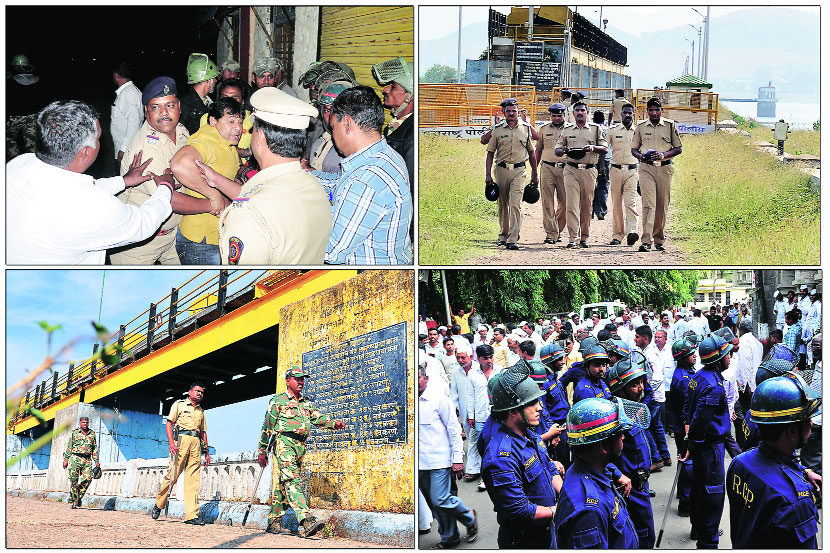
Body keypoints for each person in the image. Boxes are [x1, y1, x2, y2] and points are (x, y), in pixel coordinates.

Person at [7, 100, 177, 264]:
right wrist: (166, 186)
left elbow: (80, 190)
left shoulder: (19, 163)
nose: (100, 143)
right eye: (98, 139)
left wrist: (123, 181)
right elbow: (143, 224)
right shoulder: (94, 207)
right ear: (85, 152)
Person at [200, 88, 331, 264]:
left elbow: (239, 284)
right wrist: (216, 179)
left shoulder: (248, 214)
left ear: (260, 137)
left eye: (254, 129)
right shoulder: (314, 185)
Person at [109, 77, 214, 265]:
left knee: (187, 290)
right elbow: (170, 199)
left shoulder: (182, 132)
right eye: (156, 107)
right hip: (138, 244)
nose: (164, 113)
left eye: (169, 105)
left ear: (179, 107)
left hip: (172, 236)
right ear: (146, 111)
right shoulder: (146, 148)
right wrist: (214, 204)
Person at [313, 86, 412, 264]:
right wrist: (303, 176)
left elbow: (331, 252)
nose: (333, 134)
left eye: (334, 127)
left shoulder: (367, 180)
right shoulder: (383, 156)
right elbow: (340, 184)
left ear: (348, 124)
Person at [726, 372, 821, 548]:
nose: (812, 424)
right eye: (808, 419)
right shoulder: (796, 501)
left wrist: (803, 471)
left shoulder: (739, 462)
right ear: (792, 432)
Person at [256, 367, 345, 536]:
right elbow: (267, 426)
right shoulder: (278, 401)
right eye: (297, 379)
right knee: (292, 479)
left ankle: (274, 521)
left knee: (285, 483)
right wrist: (262, 450)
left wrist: (334, 424)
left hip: (300, 446)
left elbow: (318, 418)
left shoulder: (306, 403)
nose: (301, 382)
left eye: (302, 379)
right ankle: (306, 520)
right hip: (284, 443)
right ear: (287, 380)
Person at [481, 367, 561, 547]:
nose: (539, 407)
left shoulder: (529, 433)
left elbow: (548, 466)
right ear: (513, 411)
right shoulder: (501, 458)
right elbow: (520, 510)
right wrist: (560, 510)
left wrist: (563, 495)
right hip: (526, 540)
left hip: (547, 529)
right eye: (532, 403)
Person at [554, 397, 642, 548]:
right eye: (619, 433)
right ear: (604, 446)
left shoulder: (594, 468)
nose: (623, 436)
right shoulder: (588, 511)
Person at [170, 97, 242, 264]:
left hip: (214, 237)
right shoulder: (207, 141)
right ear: (213, 121)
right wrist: (213, 194)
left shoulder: (226, 143)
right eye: (231, 121)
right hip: (200, 243)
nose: (238, 127)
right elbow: (179, 164)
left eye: (239, 121)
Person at [418, 363, 479, 548]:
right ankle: (449, 536)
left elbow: (454, 430)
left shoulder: (439, 400)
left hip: (439, 461)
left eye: (418, 378)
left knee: (440, 499)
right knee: (435, 505)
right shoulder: (406, 403)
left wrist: (458, 459)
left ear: (426, 379)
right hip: (419, 464)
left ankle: (470, 518)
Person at [680, 335, 732, 547]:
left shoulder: (698, 376)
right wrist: (693, 442)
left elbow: (687, 409)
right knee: (712, 494)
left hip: (702, 445)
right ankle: (708, 540)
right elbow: (701, 419)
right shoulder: (714, 385)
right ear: (718, 358)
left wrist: (691, 442)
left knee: (699, 490)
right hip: (710, 447)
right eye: (727, 354)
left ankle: (699, 528)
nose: (730, 357)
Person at [606, 356, 656, 548]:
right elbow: (597, 454)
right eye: (635, 384)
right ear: (620, 388)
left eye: (642, 382)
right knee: (639, 537)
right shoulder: (612, 415)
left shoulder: (633, 407)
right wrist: (618, 475)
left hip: (641, 485)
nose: (641, 388)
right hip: (628, 489)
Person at [485, 98, 540, 250]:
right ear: (504, 113)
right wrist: (488, 175)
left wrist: (535, 173)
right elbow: (490, 153)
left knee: (515, 204)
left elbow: (531, 152)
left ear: (518, 112)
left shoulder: (526, 128)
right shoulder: (497, 129)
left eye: (514, 111)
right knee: (503, 204)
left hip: (519, 171)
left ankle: (513, 238)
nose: (511, 113)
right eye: (508, 111)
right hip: (501, 170)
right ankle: (503, 235)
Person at [151, 383, 209, 525]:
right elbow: (169, 424)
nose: (200, 394)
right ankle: (159, 503)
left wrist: (206, 452)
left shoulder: (201, 411)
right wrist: (171, 443)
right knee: (172, 475)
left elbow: (203, 432)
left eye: (202, 392)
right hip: (181, 441)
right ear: (190, 392)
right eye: (197, 391)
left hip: (195, 443)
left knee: (193, 481)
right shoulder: (179, 405)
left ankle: (191, 515)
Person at [630, 97, 682, 252]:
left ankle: (659, 238)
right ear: (647, 112)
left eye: (656, 110)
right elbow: (634, 149)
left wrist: (664, 154)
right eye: (651, 110)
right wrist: (641, 156)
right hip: (646, 169)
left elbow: (678, 148)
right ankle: (646, 240)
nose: (654, 113)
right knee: (648, 204)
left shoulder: (669, 125)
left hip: (665, 168)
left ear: (661, 110)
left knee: (662, 205)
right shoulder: (640, 126)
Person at [554, 101, 608, 248]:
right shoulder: (567, 129)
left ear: (587, 113)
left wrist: (593, 147)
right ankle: (572, 238)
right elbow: (557, 149)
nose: (579, 112)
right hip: (570, 169)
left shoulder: (595, 129)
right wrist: (563, 150)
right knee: (571, 204)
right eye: (576, 110)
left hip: (589, 170)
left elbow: (605, 148)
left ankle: (584, 237)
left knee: (586, 205)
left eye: (582, 110)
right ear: (573, 113)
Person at [372, 57, 414, 191]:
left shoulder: (411, 133)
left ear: (410, 96)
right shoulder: (396, 124)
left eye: (393, 86)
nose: (385, 90)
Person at [670, 338, 698, 517]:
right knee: (687, 462)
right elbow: (687, 408)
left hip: (683, 424)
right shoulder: (682, 379)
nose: (694, 356)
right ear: (682, 358)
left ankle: (682, 493)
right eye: (690, 354)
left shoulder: (687, 372)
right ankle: (686, 503)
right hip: (684, 426)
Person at [534, 103, 569, 244]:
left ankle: (558, 229)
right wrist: (534, 171)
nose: (556, 118)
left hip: (565, 169)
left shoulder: (570, 129)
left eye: (559, 115)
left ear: (564, 115)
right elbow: (538, 150)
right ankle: (551, 233)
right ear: (550, 116)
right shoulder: (543, 129)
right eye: (554, 116)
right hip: (547, 168)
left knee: (565, 203)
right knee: (547, 202)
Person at [607, 103, 640, 246]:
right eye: (625, 113)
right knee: (616, 204)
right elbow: (604, 148)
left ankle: (632, 231)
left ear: (633, 115)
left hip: (632, 171)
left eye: (630, 113)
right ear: (621, 115)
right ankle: (617, 235)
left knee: (630, 201)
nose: (627, 115)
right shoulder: (612, 130)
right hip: (615, 170)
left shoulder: (639, 131)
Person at [198, 79, 254, 160]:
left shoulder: (252, 119)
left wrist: (248, 152)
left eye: (235, 97)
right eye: (225, 97)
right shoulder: (209, 117)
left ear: (242, 101)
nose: (230, 101)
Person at [308, 81, 352, 173]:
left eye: (336, 112)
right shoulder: (320, 140)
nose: (331, 117)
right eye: (327, 111)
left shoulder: (350, 149)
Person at [63, 416, 100, 509]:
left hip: (87, 460)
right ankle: (75, 502)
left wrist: (96, 461)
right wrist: (66, 459)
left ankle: (76, 497)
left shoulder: (92, 434)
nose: (85, 424)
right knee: (74, 481)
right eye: (83, 422)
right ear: (80, 423)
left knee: (88, 479)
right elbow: (69, 446)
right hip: (75, 458)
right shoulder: (75, 433)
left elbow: (94, 448)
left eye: (87, 422)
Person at [110, 62, 143, 164]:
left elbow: (134, 122)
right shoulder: (132, 90)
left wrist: (123, 149)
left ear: (116, 75)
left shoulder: (126, 94)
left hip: (127, 147)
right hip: (131, 143)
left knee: (123, 177)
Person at [180, 53, 219, 134]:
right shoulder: (186, 107)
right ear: (208, 81)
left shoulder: (208, 102)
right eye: (214, 78)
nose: (216, 80)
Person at [591, 110, 610, 220]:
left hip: (593, 160)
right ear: (604, 120)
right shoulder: (607, 129)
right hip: (605, 161)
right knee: (603, 185)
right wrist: (603, 165)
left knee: (592, 186)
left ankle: (591, 210)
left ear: (593, 119)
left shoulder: (592, 129)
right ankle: (601, 210)